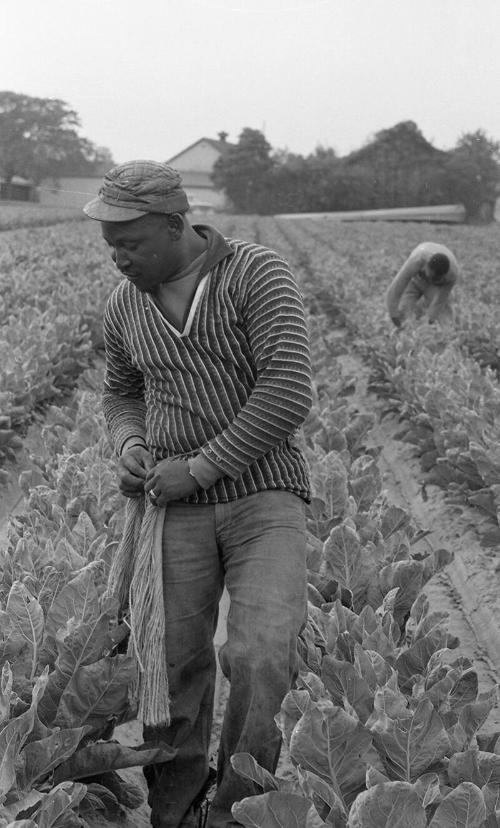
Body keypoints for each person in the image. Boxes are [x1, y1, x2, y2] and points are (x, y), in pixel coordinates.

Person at [83, 160, 312, 828]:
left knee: (262, 652)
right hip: (172, 508)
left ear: (177, 225)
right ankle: (177, 807)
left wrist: (205, 465)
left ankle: (241, 808)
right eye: (112, 247)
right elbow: (121, 391)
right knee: (173, 664)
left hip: (265, 495)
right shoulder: (125, 307)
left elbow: (287, 388)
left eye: (132, 244)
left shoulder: (254, 274)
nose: (120, 259)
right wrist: (129, 445)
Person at [385, 241, 459, 328]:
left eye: (436, 278)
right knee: (402, 309)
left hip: (436, 286)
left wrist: (430, 321)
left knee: (444, 313)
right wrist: (393, 315)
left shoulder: (452, 274)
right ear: (426, 265)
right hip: (416, 278)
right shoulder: (416, 260)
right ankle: (401, 332)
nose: (431, 279)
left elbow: (440, 300)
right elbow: (396, 288)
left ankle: (447, 335)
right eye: (431, 276)